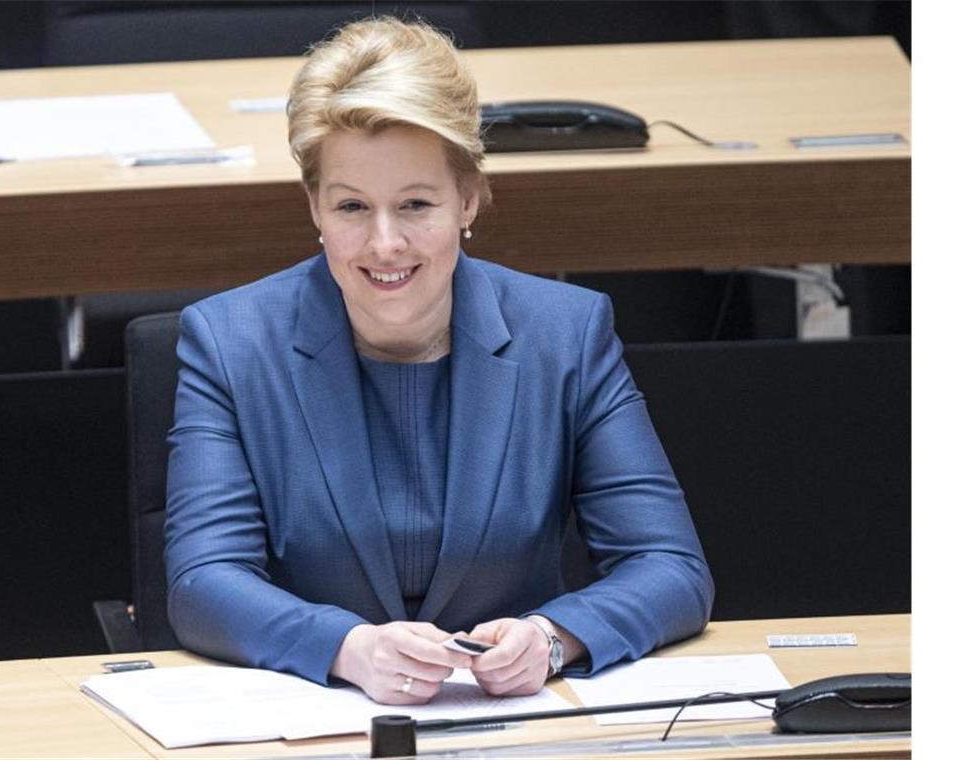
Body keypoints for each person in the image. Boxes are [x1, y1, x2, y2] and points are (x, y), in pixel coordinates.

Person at [164, 16, 713, 706]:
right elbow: (201, 582)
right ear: (314, 208)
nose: (384, 243)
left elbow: (669, 566)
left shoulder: (566, 333)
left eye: (416, 204)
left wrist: (553, 637)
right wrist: (347, 648)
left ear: (469, 199)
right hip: (317, 717)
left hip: (520, 721)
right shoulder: (230, 342)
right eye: (352, 207)